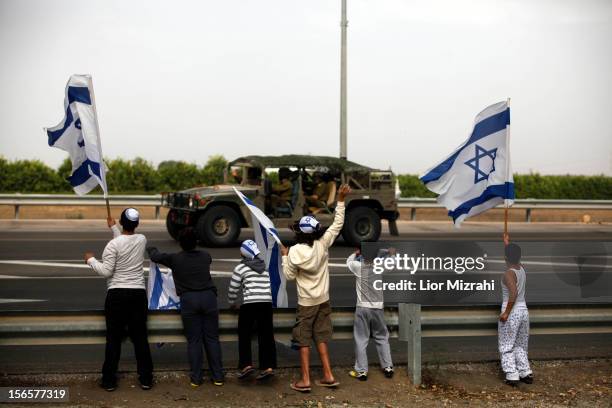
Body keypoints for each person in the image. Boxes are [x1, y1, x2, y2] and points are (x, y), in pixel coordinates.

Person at [281, 184, 351, 393]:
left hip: (306, 303)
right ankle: (328, 375)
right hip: (323, 300)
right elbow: (338, 224)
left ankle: (305, 379)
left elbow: (289, 275)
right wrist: (340, 199)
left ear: (299, 234)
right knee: (321, 337)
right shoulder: (322, 244)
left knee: (303, 340)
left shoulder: (294, 252)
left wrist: (285, 257)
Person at [84, 208, 153, 392]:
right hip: (138, 295)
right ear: (137, 224)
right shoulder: (142, 240)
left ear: (122, 222)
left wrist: (91, 261)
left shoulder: (112, 246)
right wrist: (114, 228)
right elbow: (126, 241)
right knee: (140, 339)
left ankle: (109, 381)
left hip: (117, 295)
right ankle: (146, 379)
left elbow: (106, 271)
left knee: (114, 339)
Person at [146, 227, 224, 387]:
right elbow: (207, 261)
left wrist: (151, 248)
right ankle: (218, 377)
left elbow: (155, 256)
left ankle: (196, 378)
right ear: (196, 242)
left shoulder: (175, 259)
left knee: (194, 340)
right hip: (209, 298)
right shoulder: (205, 256)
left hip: (189, 300)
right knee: (212, 339)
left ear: (180, 243)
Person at [228, 239, 276, 381]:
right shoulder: (265, 266)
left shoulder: (240, 268)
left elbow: (233, 289)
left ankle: (246, 365)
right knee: (266, 335)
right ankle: (267, 367)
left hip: (249, 305)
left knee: (244, 334)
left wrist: (232, 304)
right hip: (266, 304)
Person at [346, 247, 394, 381]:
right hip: (378, 308)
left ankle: (361, 371)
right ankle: (388, 366)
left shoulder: (357, 266)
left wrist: (356, 253)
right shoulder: (380, 266)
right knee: (382, 337)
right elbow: (393, 261)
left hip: (362, 308)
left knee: (361, 339)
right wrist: (387, 252)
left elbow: (348, 261)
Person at [499, 233, 533, 386]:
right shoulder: (521, 269)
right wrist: (507, 243)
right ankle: (525, 371)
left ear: (505, 258)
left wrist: (506, 312)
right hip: (524, 311)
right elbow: (512, 256)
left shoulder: (508, 274)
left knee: (507, 344)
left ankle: (512, 374)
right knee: (521, 344)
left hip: (512, 312)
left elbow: (513, 293)